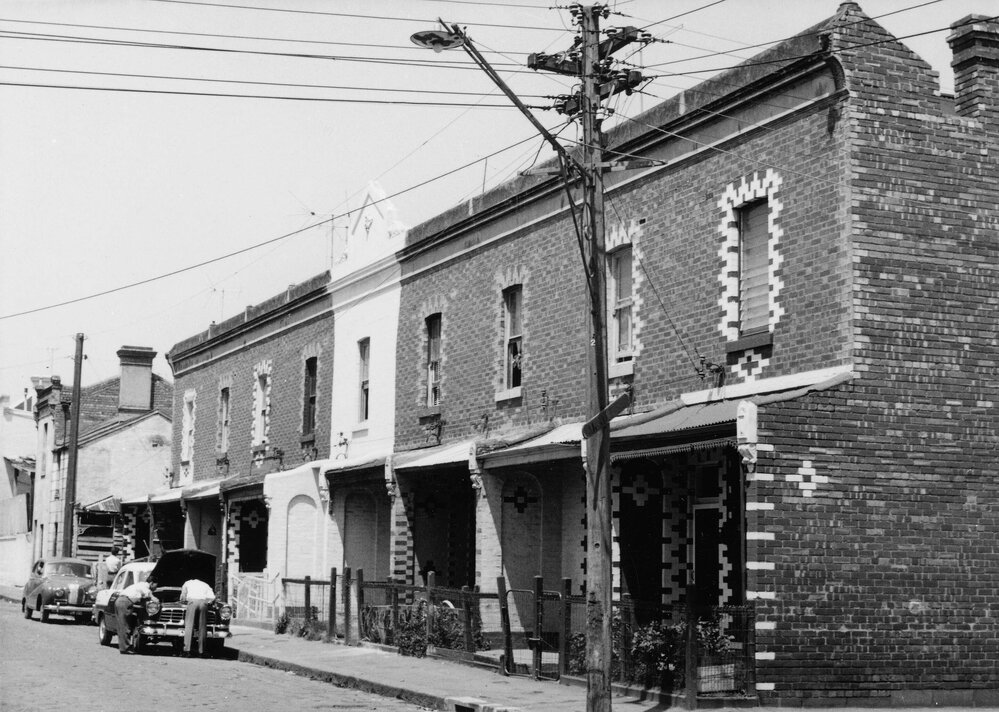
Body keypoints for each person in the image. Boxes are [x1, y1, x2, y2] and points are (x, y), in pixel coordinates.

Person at [115, 578, 157, 654]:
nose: (156, 588)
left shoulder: (139, 585)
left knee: (123, 625)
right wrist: (156, 600)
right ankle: (125, 648)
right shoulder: (144, 586)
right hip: (125, 602)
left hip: (122, 601)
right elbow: (151, 596)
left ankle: (124, 647)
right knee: (124, 626)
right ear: (151, 583)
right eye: (155, 585)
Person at [180, 578, 216, 657]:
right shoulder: (206, 585)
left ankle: (187, 650)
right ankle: (201, 651)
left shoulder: (187, 582)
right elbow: (212, 597)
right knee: (202, 627)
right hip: (203, 603)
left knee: (189, 626)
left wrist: (184, 600)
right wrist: (206, 603)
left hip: (192, 602)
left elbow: (183, 597)